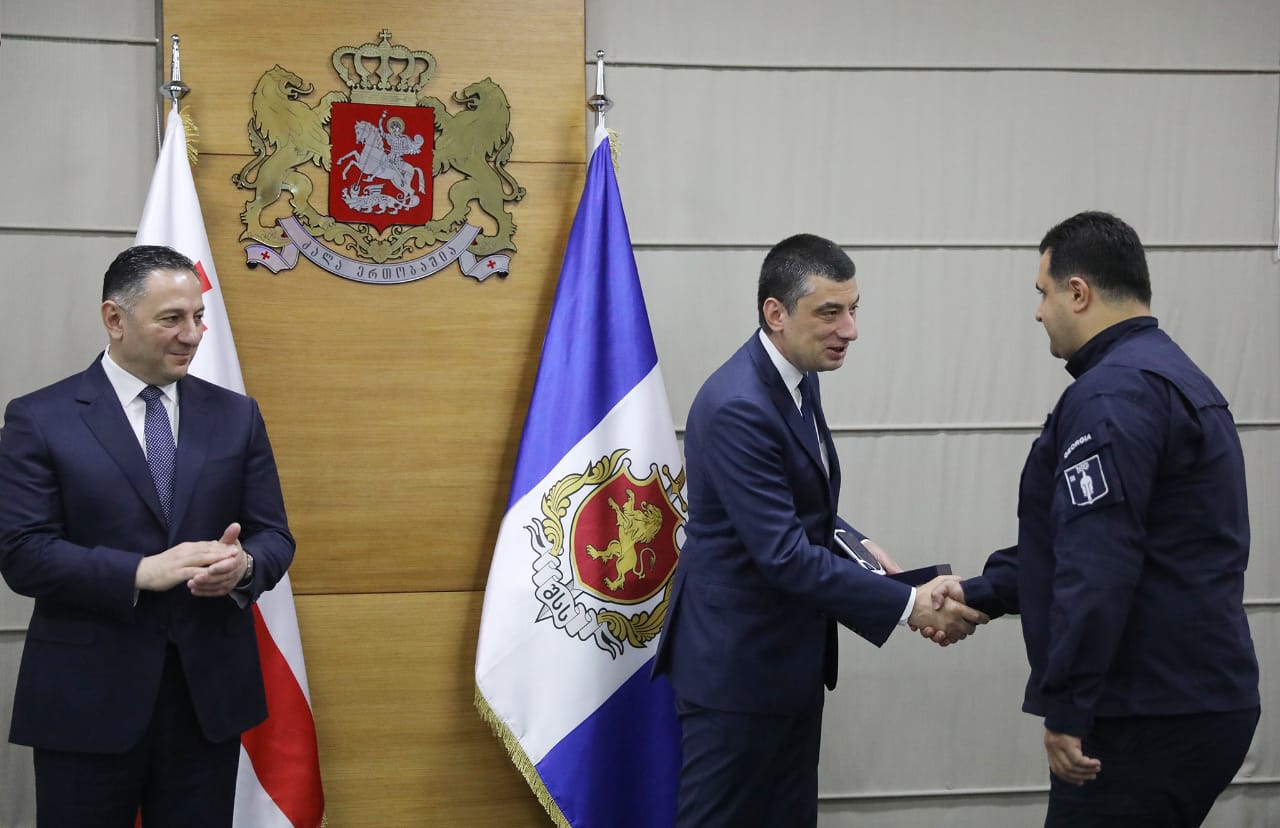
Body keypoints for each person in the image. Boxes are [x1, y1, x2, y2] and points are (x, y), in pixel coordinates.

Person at [933, 212, 1260, 826]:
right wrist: (980, 592)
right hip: (1195, 698)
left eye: (1043, 292)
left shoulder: (1112, 394)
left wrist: (1069, 706)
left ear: (1078, 292)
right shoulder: (1170, 375)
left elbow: (1099, 561)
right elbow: (1101, 538)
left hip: (1144, 713)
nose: (1038, 312)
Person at [651, 233, 986, 828]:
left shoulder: (798, 378)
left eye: (853, 309)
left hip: (787, 667)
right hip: (737, 677)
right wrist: (910, 604)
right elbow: (782, 553)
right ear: (775, 313)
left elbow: (800, 509)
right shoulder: (739, 406)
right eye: (830, 312)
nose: (850, 329)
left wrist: (857, 547)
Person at [0, 245, 296, 827]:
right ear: (115, 319)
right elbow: (22, 553)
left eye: (198, 317)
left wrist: (244, 568)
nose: (192, 335)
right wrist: (139, 572)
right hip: (86, 700)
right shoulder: (40, 418)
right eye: (172, 319)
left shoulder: (236, 415)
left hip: (206, 699)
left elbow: (273, 534)